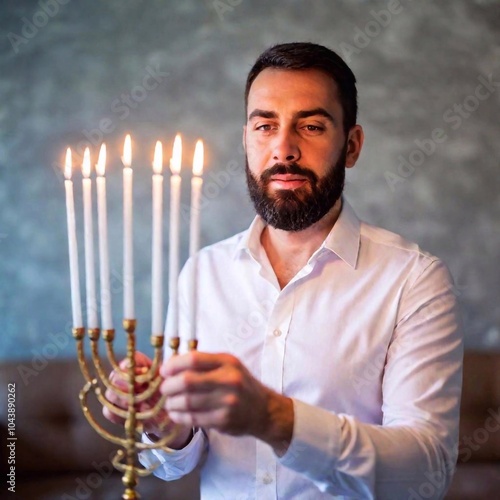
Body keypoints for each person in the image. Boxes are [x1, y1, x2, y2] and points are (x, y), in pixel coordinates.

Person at [105, 42, 463, 499]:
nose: (284, 148)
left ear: (351, 146)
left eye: (311, 126)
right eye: (265, 125)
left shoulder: (415, 279)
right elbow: (177, 465)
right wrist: (166, 427)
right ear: (247, 139)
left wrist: (275, 418)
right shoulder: (202, 272)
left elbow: (425, 474)